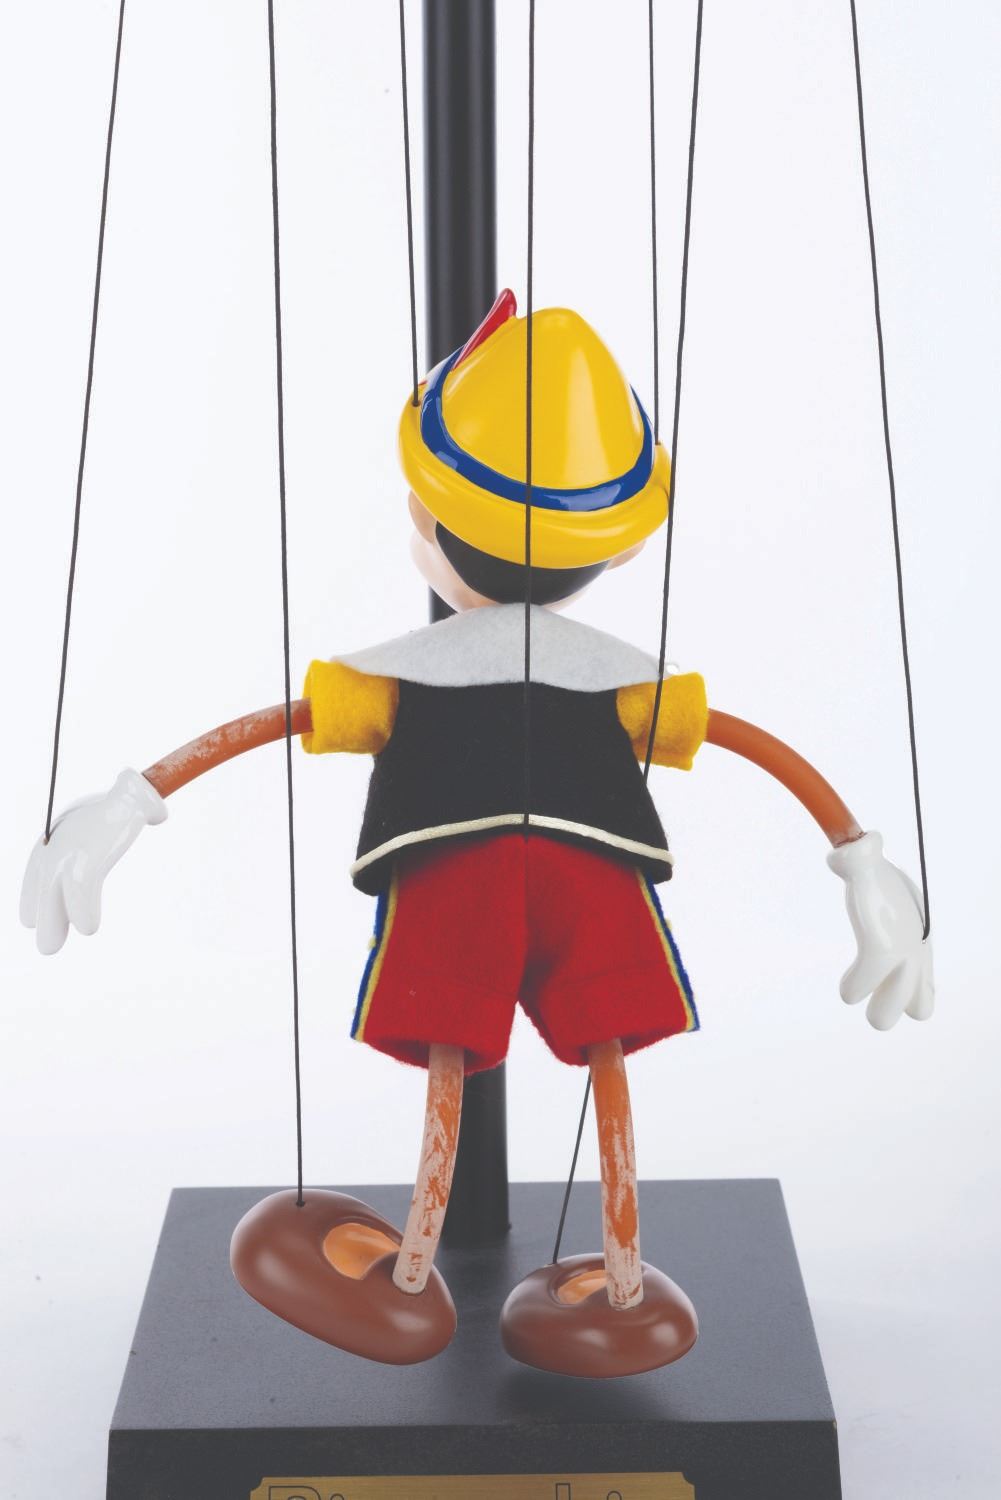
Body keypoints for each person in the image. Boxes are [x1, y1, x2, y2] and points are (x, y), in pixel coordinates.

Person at [21, 291, 933, 1377]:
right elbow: (746, 740)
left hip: (453, 882)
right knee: (606, 1056)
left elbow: (272, 723)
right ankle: (621, 1281)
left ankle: (407, 1274)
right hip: (596, 883)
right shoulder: (618, 681)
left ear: (426, 518)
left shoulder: (402, 677)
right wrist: (862, 862)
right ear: (617, 549)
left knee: (448, 1059)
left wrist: (127, 803)